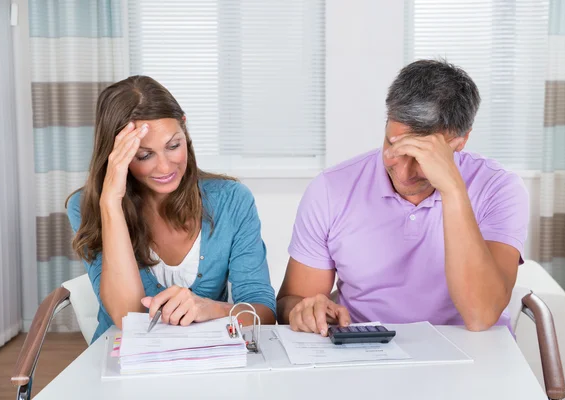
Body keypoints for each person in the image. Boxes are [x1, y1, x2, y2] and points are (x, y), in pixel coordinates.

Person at [276, 59, 529, 336]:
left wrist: (452, 190)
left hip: (472, 353)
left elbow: (481, 315)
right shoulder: (330, 189)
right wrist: (306, 310)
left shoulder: (498, 188)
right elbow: (293, 300)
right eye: (394, 146)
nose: (404, 172)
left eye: (422, 156)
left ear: (461, 141)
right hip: (367, 349)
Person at [67, 76, 276, 343]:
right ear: (117, 154)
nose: (165, 168)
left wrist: (214, 309)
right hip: (122, 368)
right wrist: (110, 204)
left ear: (185, 131)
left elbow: (264, 314)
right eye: (144, 155)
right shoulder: (87, 207)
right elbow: (126, 317)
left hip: (208, 362)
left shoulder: (231, 200)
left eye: (173, 146)